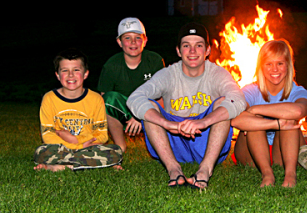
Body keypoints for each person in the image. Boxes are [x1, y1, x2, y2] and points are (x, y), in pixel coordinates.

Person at [127, 22, 246, 189]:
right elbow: (135, 97)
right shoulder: (168, 74)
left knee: (222, 105)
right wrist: (167, 124)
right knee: (149, 106)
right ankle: (174, 170)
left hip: (205, 142)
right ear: (178, 51)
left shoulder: (217, 73)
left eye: (198, 45)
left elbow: (238, 99)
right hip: (173, 140)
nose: (192, 51)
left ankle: (205, 170)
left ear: (208, 50)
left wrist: (203, 122)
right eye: (186, 46)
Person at [231, 39, 307, 187]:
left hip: (285, 151)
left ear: (288, 65)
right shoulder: (250, 90)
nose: (274, 69)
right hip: (251, 152)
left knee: (290, 120)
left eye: (280, 63)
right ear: (260, 66)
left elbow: (299, 110)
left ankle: (290, 175)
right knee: (255, 122)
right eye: (269, 64)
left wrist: (254, 109)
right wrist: (275, 124)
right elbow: (234, 119)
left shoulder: (298, 91)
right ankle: (267, 175)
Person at [34, 48, 123, 171]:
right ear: (58, 75)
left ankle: (62, 166)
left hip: (89, 147)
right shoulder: (49, 98)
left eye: (76, 70)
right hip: (62, 148)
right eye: (65, 70)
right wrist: (76, 146)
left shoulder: (96, 99)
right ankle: (93, 165)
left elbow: (102, 135)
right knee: (42, 151)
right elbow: (48, 135)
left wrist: (77, 141)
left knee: (115, 150)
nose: (71, 75)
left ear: (85, 74)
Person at [98, 17, 165, 152]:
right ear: (119, 42)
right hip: (125, 113)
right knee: (108, 99)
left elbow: (162, 97)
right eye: (127, 38)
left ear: (145, 41)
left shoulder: (155, 60)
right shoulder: (111, 65)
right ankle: (120, 145)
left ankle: (155, 136)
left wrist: (140, 114)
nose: (133, 42)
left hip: (150, 110)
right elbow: (104, 101)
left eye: (138, 38)